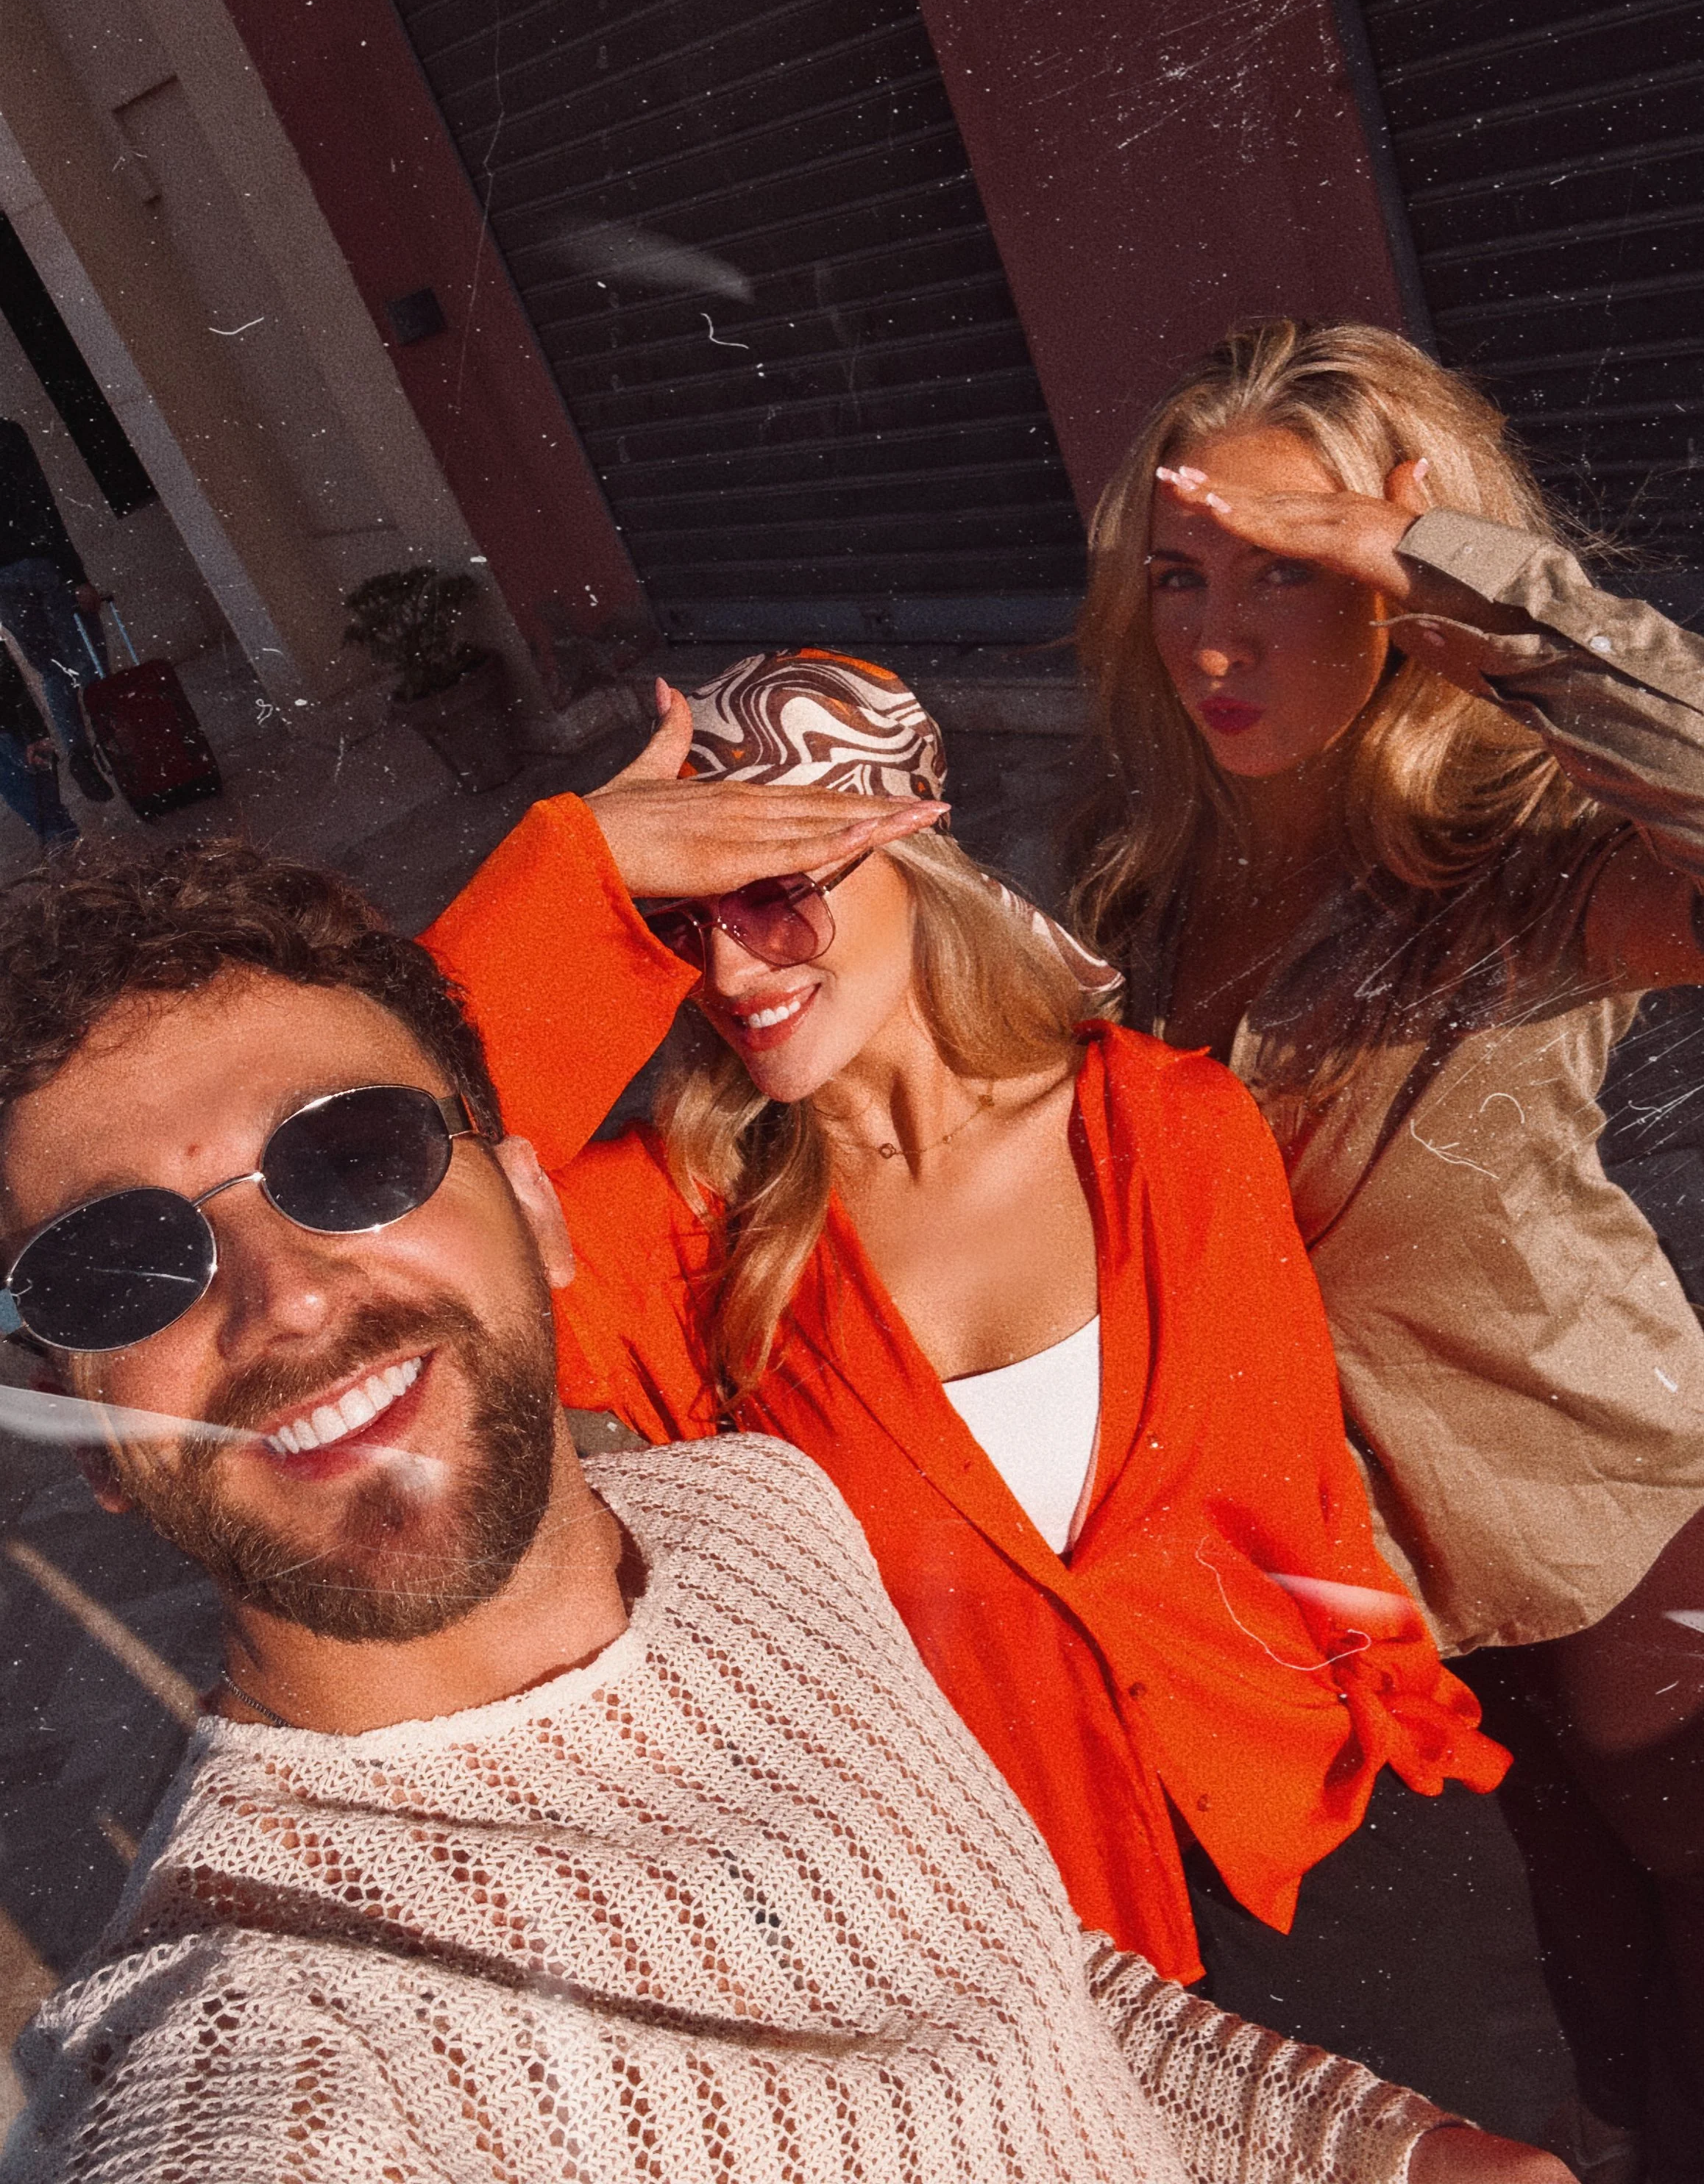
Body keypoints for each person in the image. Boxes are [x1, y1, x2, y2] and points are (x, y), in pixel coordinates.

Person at [0, 839, 1562, 2184]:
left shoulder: (757, 1514)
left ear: (528, 1202)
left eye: (351, 1154)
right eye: (116, 1266)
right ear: (86, 1433)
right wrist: (589, 868)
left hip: (1321, 1812)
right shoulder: (274, 2038)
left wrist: (1387, 2146)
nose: (283, 1295)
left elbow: (1015, 1987)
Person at [421, 650, 1571, 2145]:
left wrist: (1406, 1714)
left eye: (776, 894)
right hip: (1031, 1954)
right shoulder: (679, 1238)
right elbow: (367, 1203)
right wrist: (574, 875)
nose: (729, 971)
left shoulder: (1172, 1130)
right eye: (672, 926)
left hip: (1343, 1839)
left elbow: (1296, 1496)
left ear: (909, 848)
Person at [1065, 317, 1704, 2166]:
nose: (1210, 640)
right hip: (1374, 1563)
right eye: (1178, 576)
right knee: (1577, 1907)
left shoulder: (1512, 872)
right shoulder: (1138, 876)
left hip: (1607, 1516)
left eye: (1288, 573)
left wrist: (1467, 585)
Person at [0, 416, 114, 805]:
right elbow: (41, 504)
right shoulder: (7, 435)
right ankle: (119, 745)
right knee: (90, 660)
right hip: (41, 562)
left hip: (3, 581)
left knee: (52, 668)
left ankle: (79, 752)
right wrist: (77, 576)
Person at [0, 640, 77, 844]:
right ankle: (72, 852)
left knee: (45, 812)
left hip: (12, 728)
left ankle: (71, 852)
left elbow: (12, 682)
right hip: (12, 728)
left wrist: (35, 733)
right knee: (45, 813)